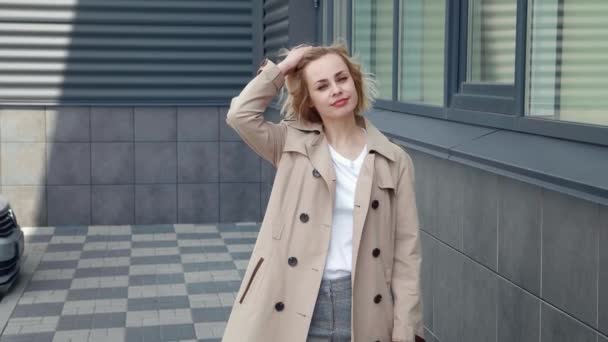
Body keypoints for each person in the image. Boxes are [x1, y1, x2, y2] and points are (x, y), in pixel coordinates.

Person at [221, 43, 424, 342]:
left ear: (354, 82)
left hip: (363, 304)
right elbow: (240, 115)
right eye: (322, 85)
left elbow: (407, 254)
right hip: (293, 296)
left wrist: (406, 331)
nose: (336, 90)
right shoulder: (290, 143)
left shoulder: (393, 159)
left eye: (342, 79)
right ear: (311, 99)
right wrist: (283, 68)